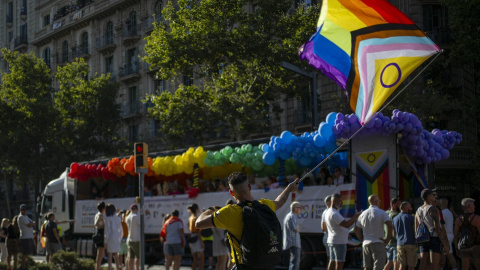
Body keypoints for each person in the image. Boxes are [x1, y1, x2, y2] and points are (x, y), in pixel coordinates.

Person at [195, 171, 300, 269]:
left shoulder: (230, 212)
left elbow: (198, 223)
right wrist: (289, 188)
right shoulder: (265, 205)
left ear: (231, 193)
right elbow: (280, 201)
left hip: (245, 265)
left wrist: (210, 210)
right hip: (267, 265)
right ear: (249, 187)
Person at [355, 195, 393, 270]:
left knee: (367, 266)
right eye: (379, 200)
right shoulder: (382, 212)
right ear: (375, 202)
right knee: (378, 266)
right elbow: (390, 225)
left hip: (366, 243)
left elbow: (356, 229)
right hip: (378, 242)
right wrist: (387, 239)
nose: (380, 201)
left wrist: (362, 240)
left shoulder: (363, 214)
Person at [415, 189, 449, 270]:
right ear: (429, 196)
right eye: (433, 195)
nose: (434, 197)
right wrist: (445, 244)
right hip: (434, 238)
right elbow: (437, 228)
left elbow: (416, 227)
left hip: (423, 238)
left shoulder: (418, 210)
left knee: (423, 264)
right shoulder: (433, 209)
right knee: (435, 264)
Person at [325, 193, 361, 270]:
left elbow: (340, 226)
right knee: (339, 262)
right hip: (339, 241)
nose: (342, 203)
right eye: (340, 201)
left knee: (332, 261)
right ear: (334, 201)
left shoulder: (329, 211)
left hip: (333, 240)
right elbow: (346, 224)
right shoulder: (334, 213)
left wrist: (346, 233)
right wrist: (355, 216)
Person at [453, 198, 480, 270]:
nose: (474, 207)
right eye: (473, 205)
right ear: (469, 207)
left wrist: (456, 248)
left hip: (463, 246)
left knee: (464, 267)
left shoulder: (458, 219)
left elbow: (456, 235)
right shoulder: (477, 218)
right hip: (475, 246)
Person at [393, 202, 416, 270]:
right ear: (406, 208)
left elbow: (393, 234)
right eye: (410, 207)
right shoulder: (411, 218)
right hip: (410, 243)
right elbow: (415, 231)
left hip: (399, 244)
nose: (411, 209)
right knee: (411, 266)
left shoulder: (395, 219)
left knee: (402, 266)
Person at [283, 201, 302, 270]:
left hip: (293, 243)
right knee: (295, 263)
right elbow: (296, 229)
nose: (301, 209)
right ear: (295, 209)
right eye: (300, 208)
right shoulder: (292, 216)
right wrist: (299, 226)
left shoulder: (291, 216)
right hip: (293, 243)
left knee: (294, 262)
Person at [440, 198, 457, 270]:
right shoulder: (449, 212)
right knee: (446, 254)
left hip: (445, 236)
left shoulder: (443, 213)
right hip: (449, 235)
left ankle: (453, 268)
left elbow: (440, 225)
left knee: (449, 255)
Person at [104, 203, 123, 270]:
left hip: (110, 238)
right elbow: (121, 230)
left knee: (110, 255)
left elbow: (107, 231)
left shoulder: (108, 219)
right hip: (117, 237)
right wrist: (119, 239)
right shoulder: (118, 218)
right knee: (116, 255)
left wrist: (105, 241)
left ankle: (110, 268)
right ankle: (117, 268)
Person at [385, 198, 401, 270]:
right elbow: (393, 228)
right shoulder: (395, 215)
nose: (401, 207)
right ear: (394, 206)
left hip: (388, 240)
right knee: (396, 261)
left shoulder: (386, 213)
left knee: (390, 261)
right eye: (399, 205)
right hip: (395, 241)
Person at [211, 206, 229, 270]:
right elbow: (221, 231)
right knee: (223, 262)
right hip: (221, 241)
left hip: (216, 241)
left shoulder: (212, 218)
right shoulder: (218, 219)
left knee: (219, 262)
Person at [18, 204, 35, 270]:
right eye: (23, 209)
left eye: (25, 209)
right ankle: (22, 267)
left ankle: (25, 266)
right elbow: (29, 224)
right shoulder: (21, 217)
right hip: (25, 237)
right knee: (24, 253)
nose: (25, 211)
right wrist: (32, 223)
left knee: (27, 253)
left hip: (29, 237)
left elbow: (32, 222)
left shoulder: (26, 216)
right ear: (20, 210)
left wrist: (32, 223)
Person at [188, 203, 204, 270]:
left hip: (192, 238)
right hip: (197, 238)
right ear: (196, 209)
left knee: (195, 259)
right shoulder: (195, 218)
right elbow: (198, 231)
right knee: (201, 260)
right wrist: (201, 242)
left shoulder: (191, 217)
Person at [126, 204, 140, 270]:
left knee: (131, 258)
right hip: (136, 239)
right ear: (136, 209)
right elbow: (142, 225)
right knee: (138, 257)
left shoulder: (127, 217)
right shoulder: (136, 216)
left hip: (129, 239)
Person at [94, 202, 106, 270]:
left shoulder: (97, 214)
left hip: (100, 234)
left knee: (100, 255)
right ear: (103, 208)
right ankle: (97, 268)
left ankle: (97, 268)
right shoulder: (100, 215)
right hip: (101, 234)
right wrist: (101, 218)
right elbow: (96, 224)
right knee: (100, 255)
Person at [321, 195, 332, 264]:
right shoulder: (328, 212)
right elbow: (323, 227)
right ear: (328, 203)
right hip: (329, 239)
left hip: (329, 238)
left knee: (331, 259)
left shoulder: (327, 211)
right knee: (332, 259)